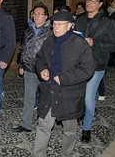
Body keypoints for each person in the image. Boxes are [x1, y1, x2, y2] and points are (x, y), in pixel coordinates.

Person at [33, 11, 95, 157]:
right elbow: (39, 58)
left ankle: (66, 154)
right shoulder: (49, 41)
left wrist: (64, 78)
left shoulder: (80, 44)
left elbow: (88, 69)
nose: (56, 27)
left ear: (69, 26)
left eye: (60, 24)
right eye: (54, 24)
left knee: (69, 130)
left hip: (70, 95)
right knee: (43, 126)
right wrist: (42, 69)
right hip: (50, 91)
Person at [74, 0, 115, 143]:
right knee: (77, 95)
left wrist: (95, 42)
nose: (89, 2)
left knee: (88, 98)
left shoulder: (108, 23)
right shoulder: (78, 19)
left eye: (93, 0)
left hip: (96, 65)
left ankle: (86, 128)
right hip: (77, 64)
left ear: (100, 4)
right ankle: (81, 115)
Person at [12, 4, 52, 133]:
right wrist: (21, 65)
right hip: (29, 69)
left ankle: (46, 124)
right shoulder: (28, 30)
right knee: (29, 98)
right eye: (35, 13)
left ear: (46, 17)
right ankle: (26, 124)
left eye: (40, 14)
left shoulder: (51, 32)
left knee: (47, 98)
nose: (36, 16)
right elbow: (23, 48)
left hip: (45, 71)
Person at [98, 0, 115, 100]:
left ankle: (102, 91)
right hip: (101, 42)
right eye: (114, 2)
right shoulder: (104, 12)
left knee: (103, 67)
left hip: (111, 42)